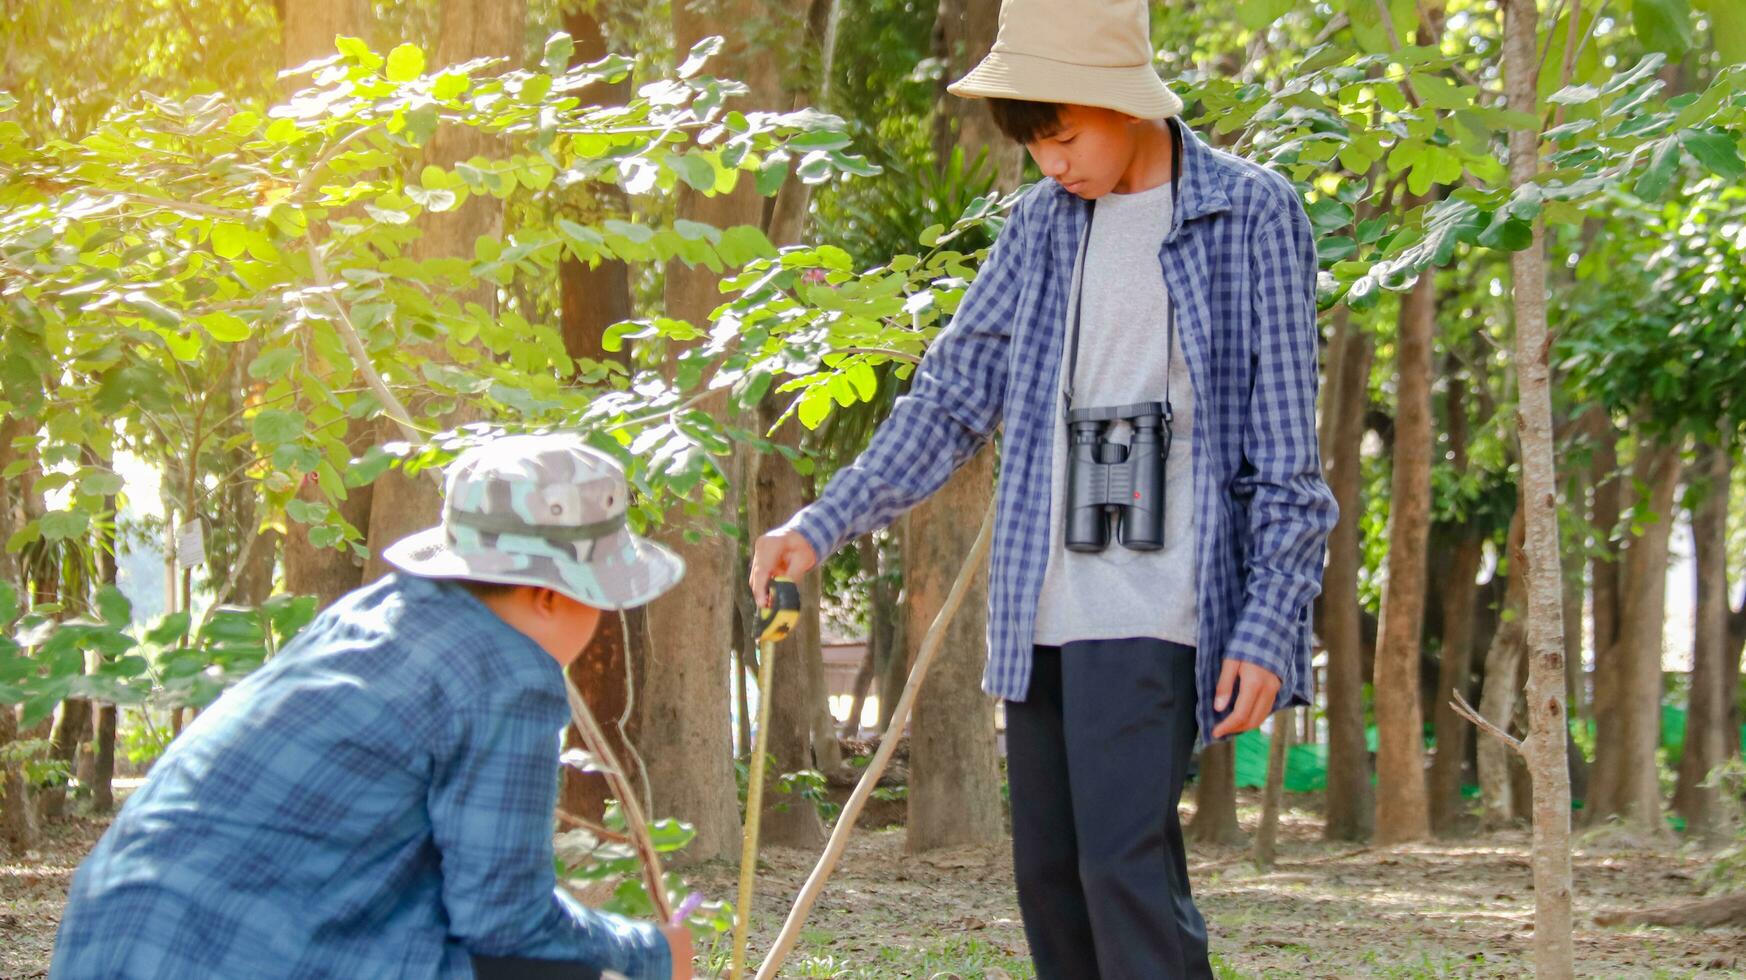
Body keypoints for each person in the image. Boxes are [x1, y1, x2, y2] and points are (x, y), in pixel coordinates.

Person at [749, 1, 1337, 976]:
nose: (1050, 163)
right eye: (1033, 145)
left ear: (1124, 104)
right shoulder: (1040, 229)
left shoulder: (1251, 212)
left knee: (1125, 876)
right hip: (1041, 610)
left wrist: (1271, 620)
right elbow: (949, 398)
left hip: (1160, 605)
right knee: (1053, 886)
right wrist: (822, 521)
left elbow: (1285, 453)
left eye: (1063, 135)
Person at [53, 434, 693, 980]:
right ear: (549, 594)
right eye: (602, 596)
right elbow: (506, 922)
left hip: (108, 935)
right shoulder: (506, 672)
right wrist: (650, 953)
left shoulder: (372, 618)